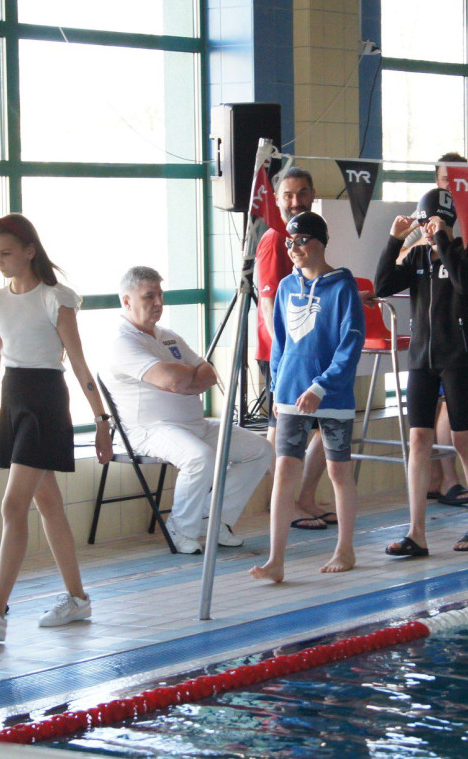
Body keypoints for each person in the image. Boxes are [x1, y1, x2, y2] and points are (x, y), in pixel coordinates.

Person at [0, 214, 113, 642]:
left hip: (45, 403)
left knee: (12, 505)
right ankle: (77, 600)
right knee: (49, 505)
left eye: (6, 252)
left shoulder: (55, 299)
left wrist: (101, 421)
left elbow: (78, 363)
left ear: (28, 251)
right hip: (14, 401)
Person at [102, 267, 272, 555]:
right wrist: (183, 377)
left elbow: (208, 373)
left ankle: (214, 519)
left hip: (194, 424)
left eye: (160, 294)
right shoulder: (123, 343)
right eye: (149, 296)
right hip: (148, 430)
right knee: (200, 458)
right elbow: (171, 379)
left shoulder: (168, 336)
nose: (158, 302)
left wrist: (184, 379)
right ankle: (181, 527)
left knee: (261, 450)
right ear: (127, 301)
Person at [376, 187, 468, 555]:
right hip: (421, 359)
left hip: (456, 356)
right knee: (418, 441)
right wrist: (395, 241)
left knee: (462, 440)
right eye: (425, 222)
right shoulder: (416, 259)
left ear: (450, 223)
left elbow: (462, 284)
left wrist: (443, 238)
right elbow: (382, 285)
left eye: (435, 222)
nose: (428, 228)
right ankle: (416, 532)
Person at [250, 212, 364, 581]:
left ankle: (345, 549)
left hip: (330, 392)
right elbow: (280, 342)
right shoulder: (286, 286)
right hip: (291, 394)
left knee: (338, 471)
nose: (294, 248)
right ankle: (276, 560)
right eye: (289, 242)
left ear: (320, 242)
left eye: (301, 241)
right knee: (284, 470)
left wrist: (321, 386)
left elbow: (351, 343)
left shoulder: (342, 286)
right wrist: (279, 385)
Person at [255, 166, 333, 531]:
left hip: (309, 353)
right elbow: (270, 305)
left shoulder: (309, 236)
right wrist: (285, 358)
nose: (295, 201)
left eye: (301, 193)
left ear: (313, 194)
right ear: (276, 199)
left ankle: (301, 499)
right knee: (284, 430)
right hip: (283, 354)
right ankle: (284, 505)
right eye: (287, 195)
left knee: (324, 425)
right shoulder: (275, 239)